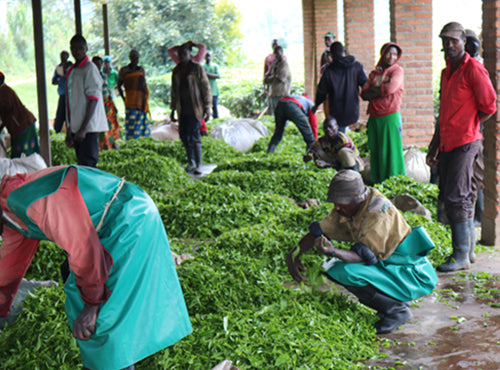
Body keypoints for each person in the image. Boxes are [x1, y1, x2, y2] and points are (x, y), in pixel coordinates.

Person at [0, 165, 192, 370]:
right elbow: (11, 261)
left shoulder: (24, 197)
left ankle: (112, 364)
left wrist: (91, 306)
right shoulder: (8, 212)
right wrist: (2, 308)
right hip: (112, 224)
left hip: (127, 219)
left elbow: (83, 248)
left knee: (103, 318)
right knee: (85, 295)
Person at [286, 170, 437, 334]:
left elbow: (362, 256)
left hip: (405, 268)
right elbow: (320, 230)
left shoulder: (377, 213)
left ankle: (396, 310)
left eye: (341, 203)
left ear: (356, 199)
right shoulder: (348, 207)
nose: (336, 207)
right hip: (385, 260)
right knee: (334, 269)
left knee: (345, 271)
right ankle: (391, 301)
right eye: (336, 202)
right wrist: (294, 254)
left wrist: (333, 251)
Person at [426, 22, 496, 272]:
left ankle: (460, 255)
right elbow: (443, 113)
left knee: (457, 196)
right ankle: (468, 251)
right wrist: (434, 146)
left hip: (465, 143)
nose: (449, 45)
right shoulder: (446, 72)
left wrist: (470, 124)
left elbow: (489, 106)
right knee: (460, 195)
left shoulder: (473, 69)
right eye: (445, 41)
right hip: (448, 142)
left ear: (464, 42)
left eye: (454, 40)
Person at [361, 42, 406, 184]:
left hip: (390, 116)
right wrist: (381, 86)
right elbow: (363, 94)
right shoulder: (375, 73)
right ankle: (379, 181)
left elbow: (390, 88)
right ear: (382, 54)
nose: (391, 57)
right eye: (388, 53)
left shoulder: (397, 71)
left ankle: (394, 181)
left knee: (391, 150)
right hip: (374, 117)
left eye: (394, 54)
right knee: (376, 149)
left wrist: (375, 89)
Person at [65, 35, 108, 168]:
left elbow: (93, 100)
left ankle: (91, 189)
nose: (77, 52)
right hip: (76, 126)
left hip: (87, 128)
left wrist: (83, 129)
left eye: (81, 48)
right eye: (74, 49)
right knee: (82, 164)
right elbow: (69, 101)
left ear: (86, 49)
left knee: (89, 163)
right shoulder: (72, 70)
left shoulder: (90, 69)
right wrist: (69, 129)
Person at [170, 42, 212, 175]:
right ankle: (191, 162)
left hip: (195, 108)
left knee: (195, 136)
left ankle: (199, 164)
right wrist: (172, 109)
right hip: (182, 109)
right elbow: (174, 91)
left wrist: (208, 107)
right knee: (184, 136)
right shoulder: (176, 71)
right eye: (180, 54)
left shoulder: (197, 69)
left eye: (185, 53)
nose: (182, 56)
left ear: (189, 54)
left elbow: (205, 88)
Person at [313, 42, 368, 133]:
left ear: (331, 54)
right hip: (353, 111)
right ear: (345, 52)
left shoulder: (329, 70)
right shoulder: (357, 66)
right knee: (347, 136)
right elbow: (366, 85)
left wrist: (316, 105)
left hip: (336, 112)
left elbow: (321, 92)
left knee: (339, 138)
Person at [0, 72, 41, 158]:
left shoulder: (3, 90)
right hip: (24, 124)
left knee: (23, 155)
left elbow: (5, 106)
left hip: (22, 125)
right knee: (27, 154)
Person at [117, 49, 151, 140]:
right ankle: (131, 140)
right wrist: (123, 98)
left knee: (141, 121)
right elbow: (119, 85)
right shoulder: (124, 70)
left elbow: (143, 84)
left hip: (141, 101)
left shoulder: (141, 69)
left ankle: (142, 140)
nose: (135, 60)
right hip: (130, 101)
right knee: (131, 122)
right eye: (133, 58)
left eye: (137, 58)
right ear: (130, 58)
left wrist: (145, 97)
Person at [99, 55, 121, 150]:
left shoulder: (113, 73)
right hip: (100, 101)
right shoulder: (99, 74)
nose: (106, 64)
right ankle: (103, 144)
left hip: (109, 99)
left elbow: (118, 83)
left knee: (111, 121)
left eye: (108, 62)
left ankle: (112, 142)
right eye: (105, 63)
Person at [264, 46, 292, 115]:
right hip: (274, 93)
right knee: (276, 112)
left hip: (282, 93)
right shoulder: (274, 64)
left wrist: (272, 77)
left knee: (282, 113)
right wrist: (272, 77)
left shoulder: (284, 64)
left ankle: (283, 125)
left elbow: (280, 77)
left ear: (281, 53)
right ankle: (278, 125)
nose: (276, 55)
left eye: (278, 53)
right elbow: (267, 76)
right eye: (275, 54)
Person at [51, 51, 73, 133]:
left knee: (70, 113)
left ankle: (71, 130)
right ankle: (57, 130)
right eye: (61, 57)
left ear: (67, 57)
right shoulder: (59, 68)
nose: (63, 58)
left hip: (71, 94)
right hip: (62, 93)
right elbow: (53, 81)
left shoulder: (72, 67)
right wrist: (59, 80)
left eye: (64, 57)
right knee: (60, 113)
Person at [204, 51, 220, 120]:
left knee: (215, 108)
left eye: (209, 56)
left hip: (214, 91)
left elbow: (218, 76)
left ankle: (216, 120)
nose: (208, 58)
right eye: (207, 56)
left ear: (211, 57)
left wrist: (207, 74)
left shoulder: (215, 66)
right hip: (205, 91)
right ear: (204, 57)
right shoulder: (202, 66)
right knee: (205, 108)